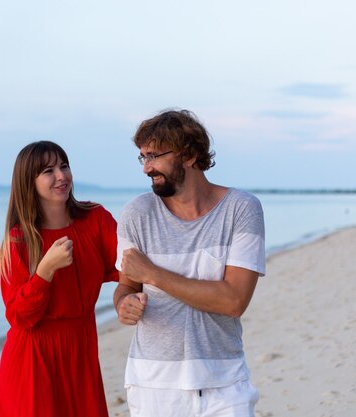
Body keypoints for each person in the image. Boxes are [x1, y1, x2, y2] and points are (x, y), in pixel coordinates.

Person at [114, 109, 265, 417]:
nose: (146, 168)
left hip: (223, 381)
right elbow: (126, 285)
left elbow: (234, 301)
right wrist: (124, 304)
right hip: (152, 384)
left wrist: (154, 274)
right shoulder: (136, 214)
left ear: (190, 155)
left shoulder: (241, 209)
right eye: (142, 157)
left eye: (154, 156)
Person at [0, 140, 119, 417]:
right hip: (32, 361)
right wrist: (45, 271)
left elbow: (128, 266)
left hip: (81, 351)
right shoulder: (19, 240)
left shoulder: (95, 219)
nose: (62, 176)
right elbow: (19, 317)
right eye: (48, 171)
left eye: (64, 166)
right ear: (29, 181)